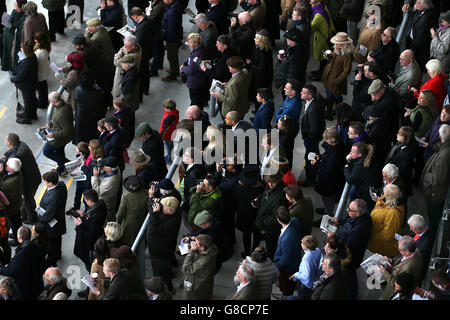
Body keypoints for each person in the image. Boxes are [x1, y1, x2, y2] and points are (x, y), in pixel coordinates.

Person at [327, 199, 372, 300]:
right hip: (357, 254)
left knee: (349, 274)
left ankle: (352, 295)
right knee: (351, 274)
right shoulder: (365, 217)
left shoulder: (356, 231)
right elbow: (349, 222)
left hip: (350, 257)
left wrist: (332, 238)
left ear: (358, 213)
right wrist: (340, 221)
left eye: (350, 209)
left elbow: (346, 246)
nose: (347, 210)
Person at [3, 133, 41, 225]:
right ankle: (24, 216)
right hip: (35, 177)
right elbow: (10, 154)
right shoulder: (23, 146)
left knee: (29, 202)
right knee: (27, 201)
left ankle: (32, 219)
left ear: (9, 143)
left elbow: (10, 165)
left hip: (28, 183)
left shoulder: (15, 157)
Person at [420, 123, 450, 232]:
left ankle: (432, 236)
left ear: (441, 137)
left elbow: (438, 179)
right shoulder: (444, 149)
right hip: (437, 192)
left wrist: (426, 174)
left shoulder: (444, 156)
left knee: (434, 217)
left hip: (436, 194)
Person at [147, 196, 181, 293]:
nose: (160, 207)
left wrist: (155, 214)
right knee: (165, 270)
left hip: (160, 252)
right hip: (162, 250)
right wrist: (151, 199)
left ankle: (165, 290)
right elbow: (151, 208)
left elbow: (152, 231)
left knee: (161, 273)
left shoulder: (171, 222)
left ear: (170, 210)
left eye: (163, 206)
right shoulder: (174, 213)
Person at [0, 226, 44, 300]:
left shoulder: (22, 254)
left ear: (19, 237)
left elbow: (10, 271)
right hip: (37, 280)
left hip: (27, 286)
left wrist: (3, 269)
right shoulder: (35, 246)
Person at [311, 128, 346, 217]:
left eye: (326, 139)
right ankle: (325, 209)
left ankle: (326, 217)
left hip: (330, 183)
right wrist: (319, 157)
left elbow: (328, 170)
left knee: (329, 200)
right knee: (326, 200)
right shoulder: (337, 145)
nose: (325, 141)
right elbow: (327, 155)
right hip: (330, 181)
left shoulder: (336, 154)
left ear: (330, 141)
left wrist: (317, 163)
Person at [254, 172, 287, 260]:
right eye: (268, 182)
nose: (270, 184)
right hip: (267, 225)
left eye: (273, 182)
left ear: (279, 180)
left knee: (271, 246)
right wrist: (259, 199)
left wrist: (261, 221)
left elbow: (276, 218)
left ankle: (271, 260)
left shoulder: (281, 196)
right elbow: (266, 194)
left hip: (272, 228)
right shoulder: (272, 186)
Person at [277, 235, 322, 300]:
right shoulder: (317, 250)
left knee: (302, 297)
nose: (301, 244)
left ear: (306, 247)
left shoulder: (306, 259)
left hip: (305, 284)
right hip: (313, 279)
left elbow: (305, 276)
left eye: (302, 243)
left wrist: (295, 275)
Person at [321, 32, 354, 120]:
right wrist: (329, 56)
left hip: (336, 80)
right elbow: (333, 57)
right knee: (329, 97)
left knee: (337, 98)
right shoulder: (337, 49)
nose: (335, 44)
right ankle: (329, 113)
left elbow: (346, 71)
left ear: (343, 44)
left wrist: (337, 80)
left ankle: (340, 114)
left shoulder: (347, 55)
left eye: (337, 42)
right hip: (329, 77)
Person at [73, 189, 107, 272]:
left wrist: (80, 225)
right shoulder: (100, 205)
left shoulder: (94, 217)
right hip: (98, 237)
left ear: (89, 201)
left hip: (89, 247)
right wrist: (84, 215)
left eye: (85, 200)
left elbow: (90, 236)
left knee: (89, 265)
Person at [379, 235, 423, 300]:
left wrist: (384, 272)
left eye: (399, 249)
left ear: (407, 252)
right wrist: (390, 260)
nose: (398, 250)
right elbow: (402, 260)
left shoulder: (407, 268)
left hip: (395, 292)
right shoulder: (415, 250)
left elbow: (396, 285)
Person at [38, 171, 67, 268]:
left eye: (45, 182)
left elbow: (49, 215)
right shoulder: (61, 184)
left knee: (51, 243)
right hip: (59, 220)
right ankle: (58, 254)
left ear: (50, 183)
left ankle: (52, 260)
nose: (45, 183)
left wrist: (40, 221)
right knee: (57, 239)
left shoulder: (53, 197)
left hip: (52, 225)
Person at [367, 184, 405, 258]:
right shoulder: (388, 199)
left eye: (385, 193)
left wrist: (373, 235)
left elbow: (388, 235)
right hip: (377, 243)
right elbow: (381, 202)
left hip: (383, 248)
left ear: (389, 196)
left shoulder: (394, 214)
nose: (383, 194)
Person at [273, 207, 302, 297]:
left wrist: (277, 265)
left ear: (278, 220)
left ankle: (285, 295)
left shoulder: (286, 239)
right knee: (290, 280)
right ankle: (286, 285)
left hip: (287, 267)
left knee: (286, 283)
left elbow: (285, 260)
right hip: (296, 257)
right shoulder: (295, 220)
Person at [299, 85, 326, 184]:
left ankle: (310, 178)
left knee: (310, 156)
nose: (301, 93)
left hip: (311, 139)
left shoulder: (313, 109)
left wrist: (308, 137)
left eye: (303, 92)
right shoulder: (312, 103)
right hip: (312, 138)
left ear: (310, 96)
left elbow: (314, 129)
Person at [211, 56, 251, 121]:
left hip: (232, 113)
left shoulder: (233, 84)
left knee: (228, 129)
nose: (228, 68)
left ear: (234, 69)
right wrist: (228, 84)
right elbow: (240, 85)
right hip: (242, 106)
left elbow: (232, 101)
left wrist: (219, 96)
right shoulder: (245, 71)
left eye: (229, 67)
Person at [74, 69, 107, 145]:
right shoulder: (98, 93)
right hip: (95, 117)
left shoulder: (78, 91)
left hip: (81, 117)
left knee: (82, 135)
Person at [128, 7, 154, 101]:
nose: (133, 20)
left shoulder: (143, 27)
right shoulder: (147, 20)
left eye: (133, 18)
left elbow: (138, 42)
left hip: (143, 53)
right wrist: (136, 31)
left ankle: (141, 94)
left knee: (142, 74)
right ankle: (145, 90)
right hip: (148, 50)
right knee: (146, 71)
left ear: (135, 16)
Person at [181, 234, 218, 300]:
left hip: (196, 284)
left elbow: (186, 269)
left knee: (191, 296)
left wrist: (192, 251)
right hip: (205, 280)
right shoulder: (212, 248)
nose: (194, 243)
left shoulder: (203, 260)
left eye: (196, 243)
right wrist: (190, 239)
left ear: (202, 247)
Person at [11, 42, 38, 125]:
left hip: (26, 86)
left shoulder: (26, 63)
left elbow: (20, 76)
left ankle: (26, 118)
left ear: (25, 51)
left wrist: (13, 79)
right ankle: (33, 114)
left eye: (22, 49)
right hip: (32, 83)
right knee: (33, 99)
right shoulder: (33, 57)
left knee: (27, 102)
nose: (20, 50)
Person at [116, 176, 148, 246]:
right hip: (142, 223)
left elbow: (120, 214)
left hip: (129, 225)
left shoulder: (126, 197)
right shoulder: (146, 193)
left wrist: (117, 227)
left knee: (128, 244)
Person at [274, 28, 307, 96]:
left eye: (288, 38)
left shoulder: (296, 55)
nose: (286, 39)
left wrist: (287, 87)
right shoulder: (296, 47)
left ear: (294, 41)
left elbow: (292, 74)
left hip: (290, 86)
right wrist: (282, 60)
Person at [404, 0, 434, 71]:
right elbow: (414, 11)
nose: (416, 4)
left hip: (418, 48)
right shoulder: (422, 10)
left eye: (418, 3)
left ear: (424, 5)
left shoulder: (426, 18)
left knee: (415, 66)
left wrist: (412, 49)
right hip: (412, 42)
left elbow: (420, 38)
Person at [246, 29, 273, 109]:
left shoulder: (264, 54)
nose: (254, 39)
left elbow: (261, 69)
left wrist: (250, 64)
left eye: (256, 38)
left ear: (261, 40)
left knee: (260, 96)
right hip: (259, 76)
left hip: (262, 79)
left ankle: (258, 110)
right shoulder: (260, 48)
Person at [181, 33, 209, 108]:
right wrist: (185, 63)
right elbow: (191, 61)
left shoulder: (197, 54)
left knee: (195, 102)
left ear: (196, 43)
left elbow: (191, 70)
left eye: (190, 42)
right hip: (198, 80)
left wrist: (183, 68)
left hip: (195, 81)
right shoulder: (197, 51)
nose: (189, 44)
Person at [0, 158, 23, 247]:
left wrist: (0, 172)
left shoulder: (9, 183)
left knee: (14, 222)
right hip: (16, 203)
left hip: (11, 207)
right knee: (17, 220)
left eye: (7, 165)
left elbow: (1, 186)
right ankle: (15, 233)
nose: (5, 165)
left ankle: (17, 240)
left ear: (11, 170)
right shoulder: (18, 173)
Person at [309, 0, 335, 79]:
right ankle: (320, 71)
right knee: (323, 58)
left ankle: (321, 75)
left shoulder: (318, 15)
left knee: (323, 57)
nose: (312, 5)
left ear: (318, 3)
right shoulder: (323, 7)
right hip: (327, 35)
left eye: (313, 3)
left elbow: (312, 26)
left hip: (322, 39)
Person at [91, 156, 122, 222]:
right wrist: (101, 161)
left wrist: (95, 176)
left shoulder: (110, 181)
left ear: (109, 169)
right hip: (110, 199)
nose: (103, 167)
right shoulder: (116, 169)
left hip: (106, 203)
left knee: (106, 218)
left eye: (104, 166)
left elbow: (97, 191)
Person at [1, 0, 27, 74]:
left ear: (20, 8)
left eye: (15, 3)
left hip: (14, 41)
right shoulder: (15, 11)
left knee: (13, 56)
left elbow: (19, 35)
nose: (13, 4)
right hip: (9, 37)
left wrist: (11, 27)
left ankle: (14, 70)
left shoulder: (23, 19)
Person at [160, 0, 183, 82]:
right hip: (174, 36)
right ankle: (174, 69)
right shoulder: (175, 5)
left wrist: (165, 37)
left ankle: (174, 73)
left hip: (171, 38)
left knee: (172, 56)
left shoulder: (171, 12)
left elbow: (171, 29)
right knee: (172, 55)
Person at [407, 214, 433, 281]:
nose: (410, 229)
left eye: (412, 228)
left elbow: (413, 257)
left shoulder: (424, 245)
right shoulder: (426, 227)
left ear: (418, 229)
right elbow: (415, 234)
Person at [34, 31, 51, 109]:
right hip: (45, 71)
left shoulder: (39, 52)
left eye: (36, 39)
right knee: (44, 86)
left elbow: (35, 63)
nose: (35, 40)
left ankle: (42, 103)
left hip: (40, 73)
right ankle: (45, 100)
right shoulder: (47, 47)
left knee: (41, 89)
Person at [160, 100, 179, 164]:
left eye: (165, 108)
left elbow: (165, 130)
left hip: (168, 136)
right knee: (170, 146)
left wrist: (161, 136)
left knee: (169, 147)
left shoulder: (168, 118)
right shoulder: (175, 112)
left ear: (169, 110)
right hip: (173, 133)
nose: (164, 109)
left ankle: (169, 159)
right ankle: (169, 156)